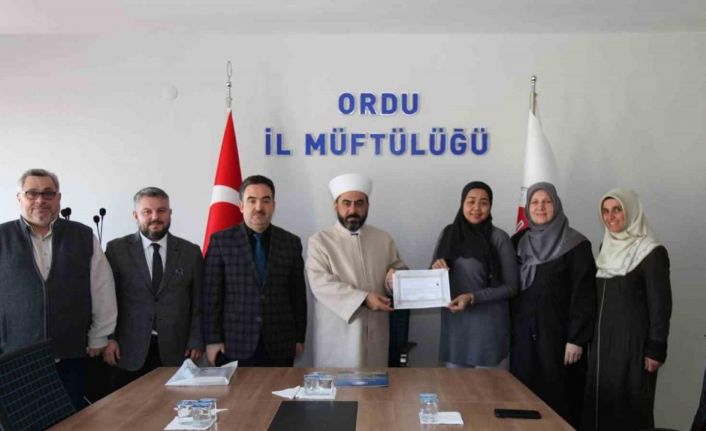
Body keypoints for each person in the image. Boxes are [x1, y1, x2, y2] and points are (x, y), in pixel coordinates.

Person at [0, 168, 117, 409]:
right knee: (24, 419)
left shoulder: (83, 236)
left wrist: (99, 335)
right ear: (19, 198)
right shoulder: (2, 237)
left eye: (48, 193)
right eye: (32, 193)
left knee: (73, 419)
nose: (40, 200)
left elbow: (102, 288)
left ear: (59, 198)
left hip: (71, 352)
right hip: (15, 356)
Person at [581, 188, 672, 431]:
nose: (610, 217)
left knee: (629, 407)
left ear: (631, 211)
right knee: (600, 403)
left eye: (617, 210)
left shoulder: (652, 252)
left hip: (634, 346)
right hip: (602, 344)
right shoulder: (605, 247)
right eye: (605, 211)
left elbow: (661, 305)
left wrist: (656, 348)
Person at [509, 182, 596, 427]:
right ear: (527, 208)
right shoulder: (517, 242)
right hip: (524, 341)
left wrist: (576, 339)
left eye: (547, 201)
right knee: (522, 402)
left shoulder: (577, 245)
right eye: (535, 202)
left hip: (559, 342)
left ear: (556, 205)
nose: (540, 207)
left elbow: (584, 295)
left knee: (559, 404)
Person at [103, 187, 204, 388]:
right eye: (147, 211)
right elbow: (107, 299)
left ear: (170, 213)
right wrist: (108, 339)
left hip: (177, 350)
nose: (155, 217)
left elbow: (199, 302)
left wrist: (196, 340)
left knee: (173, 405)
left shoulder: (190, 252)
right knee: (130, 405)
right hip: (129, 349)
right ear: (135, 215)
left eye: (161, 210)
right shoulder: (117, 250)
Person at [202, 175, 306, 366]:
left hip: (281, 343)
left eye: (265, 200)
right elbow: (211, 296)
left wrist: (299, 337)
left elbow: (298, 295)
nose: (259, 207)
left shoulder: (291, 242)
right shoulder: (221, 242)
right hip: (234, 343)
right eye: (252, 200)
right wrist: (213, 340)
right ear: (241, 205)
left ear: (273, 205)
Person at [307, 173, 407, 368]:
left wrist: (393, 279)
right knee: (338, 385)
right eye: (346, 203)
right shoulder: (320, 241)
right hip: (338, 337)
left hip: (376, 331)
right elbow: (321, 284)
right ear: (335, 206)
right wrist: (364, 299)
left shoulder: (383, 239)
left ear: (367, 206)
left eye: (359, 203)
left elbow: (397, 270)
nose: (353, 210)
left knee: (374, 384)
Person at [430, 181, 518, 369]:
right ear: (462, 204)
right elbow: (431, 279)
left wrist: (473, 297)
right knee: (455, 386)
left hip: (488, 329)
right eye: (471, 201)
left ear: (490, 206)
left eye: (483, 203)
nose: (476, 208)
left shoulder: (499, 238)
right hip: (455, 327)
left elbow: (511, 287)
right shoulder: (448, 234)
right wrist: (435, 271)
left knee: (487, 387)